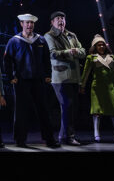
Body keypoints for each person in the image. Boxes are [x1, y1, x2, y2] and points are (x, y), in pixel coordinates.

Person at [3, 13, 60, 148]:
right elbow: (7, 60)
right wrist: (11, 77)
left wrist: (48, 74)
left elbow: (46, 59)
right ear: (22, 24)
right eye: (27, 23)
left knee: (44, 110)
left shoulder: (40, 40)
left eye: (31, 23)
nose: (29, 25)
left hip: (38, 80)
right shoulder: (14, 41)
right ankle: (20, 140)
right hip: (22, 80)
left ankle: (49, 139)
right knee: (21, 111)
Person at [43, 10, 85, 145]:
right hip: (60, 77)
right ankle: (69, 136)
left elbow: (83, 51)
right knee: (67, 106)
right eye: (58, 19)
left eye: (62, 18)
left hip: (74, 76)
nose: (61, 20)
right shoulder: (49, 35)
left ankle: (63, 136)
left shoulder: (72, 35)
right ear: (52, 22)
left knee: (72, 107)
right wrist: (69, 52)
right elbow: (53, 54)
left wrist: (77, 51)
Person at [80, 34, 114, 143]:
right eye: (99, 45)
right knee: (97, 111)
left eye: (103, 45)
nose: (101, 47)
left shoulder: (111, 57)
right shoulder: (91, 58)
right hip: (97, 88)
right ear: (95, 47)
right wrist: (82, 85)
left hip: (110, 87)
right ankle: (96, 134)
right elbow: (86, 73)